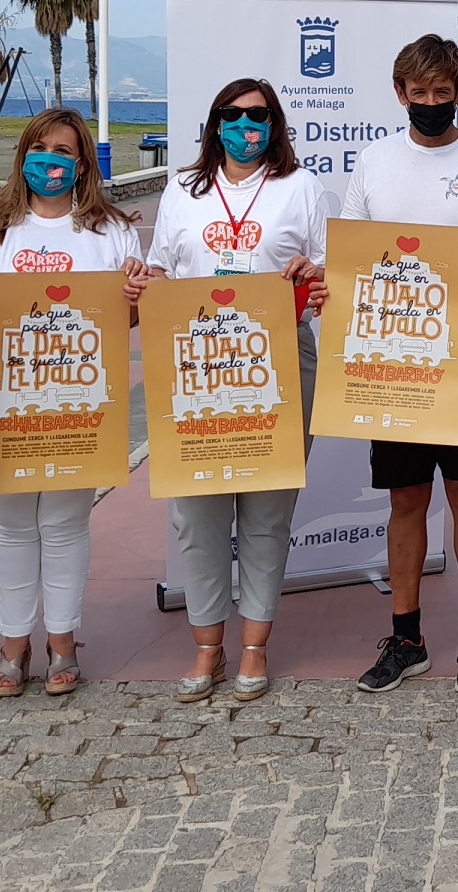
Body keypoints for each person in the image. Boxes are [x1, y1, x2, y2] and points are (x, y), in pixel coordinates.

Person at [0, 107, 150, 700]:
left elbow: (124, 319)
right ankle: (13, 647)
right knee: (9, 525)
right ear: (22, 156)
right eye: (39, 149)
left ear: (82, 161)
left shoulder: (110, 231)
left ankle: (63, 642)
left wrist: (136, 295)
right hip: (3, 398)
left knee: (63, 524)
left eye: (63, 151)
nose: (50, 162)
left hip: (78, 400)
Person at [341, 35, 458, 695]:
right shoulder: (372, 163)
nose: (429, 104)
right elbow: (353, 261)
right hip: (396, 363)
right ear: (400, 94)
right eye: (417, 94)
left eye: (441, 93)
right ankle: (408, 636)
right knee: (406, 500)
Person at [141, 79, 331, 703]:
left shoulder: (300, 189)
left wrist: (316, 276)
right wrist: (141, 287)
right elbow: (163, 275)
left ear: (276, 123)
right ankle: (206, 649)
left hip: (278, 361)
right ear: (214, 122)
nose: (246, 125)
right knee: (197, 513)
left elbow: (329, 273)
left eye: (259, 114)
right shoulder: (183, 190)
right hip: (195, 364)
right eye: (233, 114)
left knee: (267, 512)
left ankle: (253, 647)